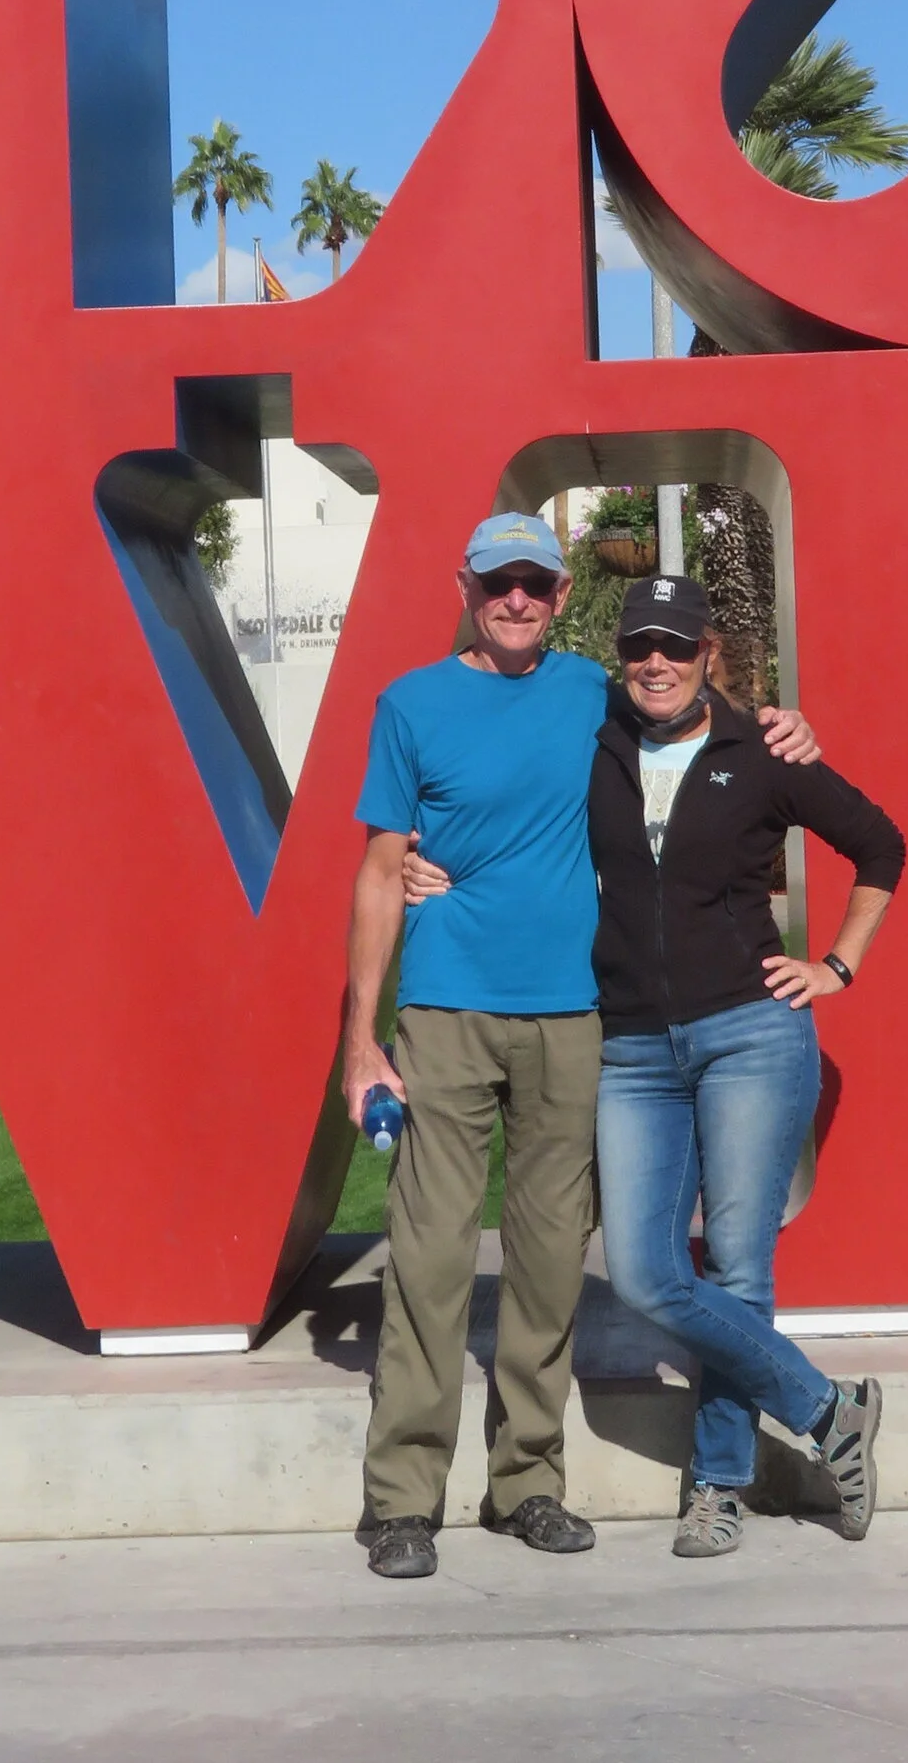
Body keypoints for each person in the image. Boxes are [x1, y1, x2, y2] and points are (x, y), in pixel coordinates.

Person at [342, 513, 820, 1581]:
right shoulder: (410, 703)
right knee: (426, 1257)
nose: (516, 598)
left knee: (554, 1260)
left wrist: (787, 730)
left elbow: (699, 719)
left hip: (574, 1018)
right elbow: (380, 869)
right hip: (448, 1010)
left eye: (535, 583)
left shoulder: (593, 697)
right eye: (497, 581)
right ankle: (402, 1500)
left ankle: (526, 1484)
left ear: (562, 598)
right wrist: (360, 1043)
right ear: (465, 585)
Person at [411, 571, 903, 1556]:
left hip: (751, 1034)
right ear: (621, 653)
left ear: (707, 652)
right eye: (641, 645)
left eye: (677, 646)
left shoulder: (760, 748)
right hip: (631, 1043)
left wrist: (836, 963)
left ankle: (716, 1486)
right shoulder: (589, 739)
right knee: (641, 1272)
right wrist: (425, 855)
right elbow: (499, 796)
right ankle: (827, 1408)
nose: (657, 663)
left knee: (735, 1261)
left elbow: (880, 844)